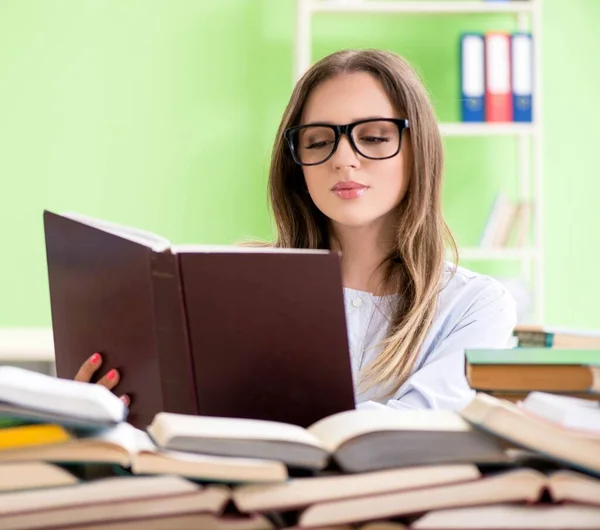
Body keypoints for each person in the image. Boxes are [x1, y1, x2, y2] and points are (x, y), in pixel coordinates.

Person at [75, 49, 517, 411]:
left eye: (376, 137)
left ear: (418, 150)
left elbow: (419, 427)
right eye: (319, 141)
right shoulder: (237, 282)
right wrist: (103, 408)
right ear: (296, 163)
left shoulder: (475, 306)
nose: (343, 159)